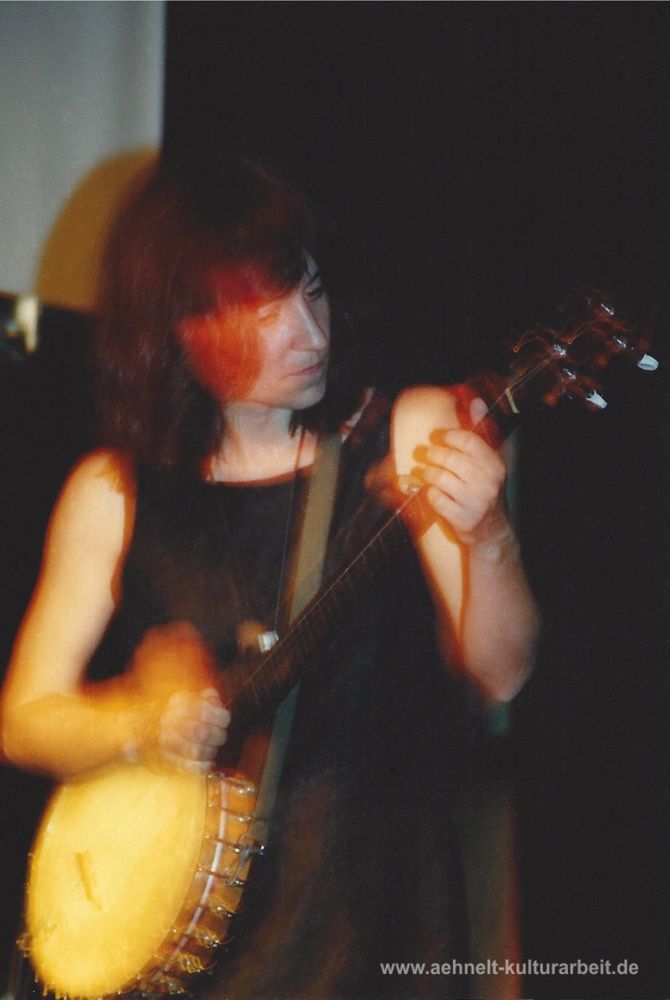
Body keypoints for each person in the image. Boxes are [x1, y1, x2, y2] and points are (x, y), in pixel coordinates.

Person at [1, 159, 539, 999]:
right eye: (266, 312)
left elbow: (501, 673)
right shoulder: (111, 492)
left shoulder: (410, 433)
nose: (311, 333)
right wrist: (141, 722)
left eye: (313, 293)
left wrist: (488, 535)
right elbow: (25, 718)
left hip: (370, 938)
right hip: (188, 957)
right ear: (178, 329)